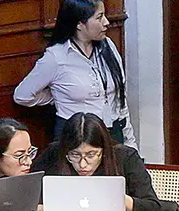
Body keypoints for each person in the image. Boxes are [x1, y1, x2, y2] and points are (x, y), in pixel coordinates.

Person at [32, 112, 179, 211]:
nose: (82, 164)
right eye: (75, 155)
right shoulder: (54, 155)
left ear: (104, 149)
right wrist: (41, 209)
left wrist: (121, 199)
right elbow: (30, 197)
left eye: (91, 155)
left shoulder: (125, 157)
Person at [14, 0, 136, 148]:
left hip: (113, 133)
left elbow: (119, 99)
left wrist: (130, 142)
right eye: (99, 17)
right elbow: (22, 95)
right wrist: (57, 96)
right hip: (76, 138)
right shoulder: (56, 57)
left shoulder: (108, 46)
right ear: (79, 24)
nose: (106, 22)